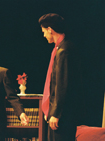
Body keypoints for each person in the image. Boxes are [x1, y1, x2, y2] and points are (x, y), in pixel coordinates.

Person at [39, 13, 82, 141]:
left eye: (44, 32)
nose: (44, 35)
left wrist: (56, 114)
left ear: (50, 30)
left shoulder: (64, 50)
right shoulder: (61, 48)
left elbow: (62, 85)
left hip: (63, 116)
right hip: (62, 114)